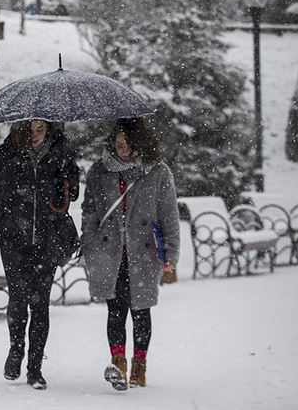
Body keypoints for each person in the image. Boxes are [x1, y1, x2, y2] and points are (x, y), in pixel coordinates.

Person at [0, 120, 80, 390]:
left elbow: (74, 194)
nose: (34, 136)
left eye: (40, 130)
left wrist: (67, 172)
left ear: (49, 130)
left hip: (48, 238)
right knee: (19, 298)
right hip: (14, 239)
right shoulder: (5, 153)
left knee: (41, 303)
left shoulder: (61, 154)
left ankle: (35, 367)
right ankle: (16, 350)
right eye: (29, 130)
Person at [79, 117, 179, 391]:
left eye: (129, 145)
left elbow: (169, 216)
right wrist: (89, 243)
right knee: (115, 309)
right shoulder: (99, 171)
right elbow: (89, 212)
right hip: (109, 252)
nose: (123, 150)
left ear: (142, 145)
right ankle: (118, 363)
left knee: (141, 310)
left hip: (143, 254)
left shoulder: (158, 172)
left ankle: (140, 366)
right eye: (119, 144)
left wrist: (170, 255)